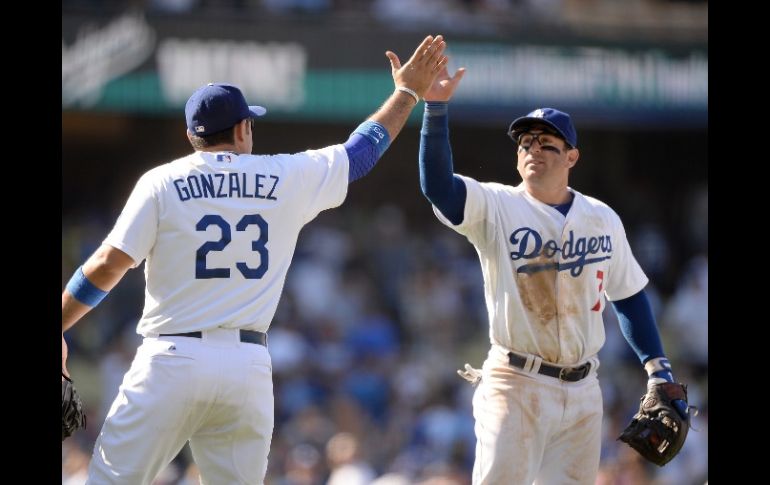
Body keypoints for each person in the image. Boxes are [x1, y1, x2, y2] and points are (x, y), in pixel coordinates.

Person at [61, 34, 449, 484]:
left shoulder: (162, 182)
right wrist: (406, 93)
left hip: (171, 356)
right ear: (244, 129)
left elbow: (109, 263)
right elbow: (361, 154)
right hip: (246, 367)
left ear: (192, 137)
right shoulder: (285, 175)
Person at [417, 67, 690, 484]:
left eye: (547, 143)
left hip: (584, 388)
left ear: (572, 156)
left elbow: (629, 294)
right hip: (515, 383)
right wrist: (436, 108)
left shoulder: (601, 217)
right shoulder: (495, 205)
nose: (533, 149)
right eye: (526, 143)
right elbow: (438, 186)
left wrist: (658, 368)